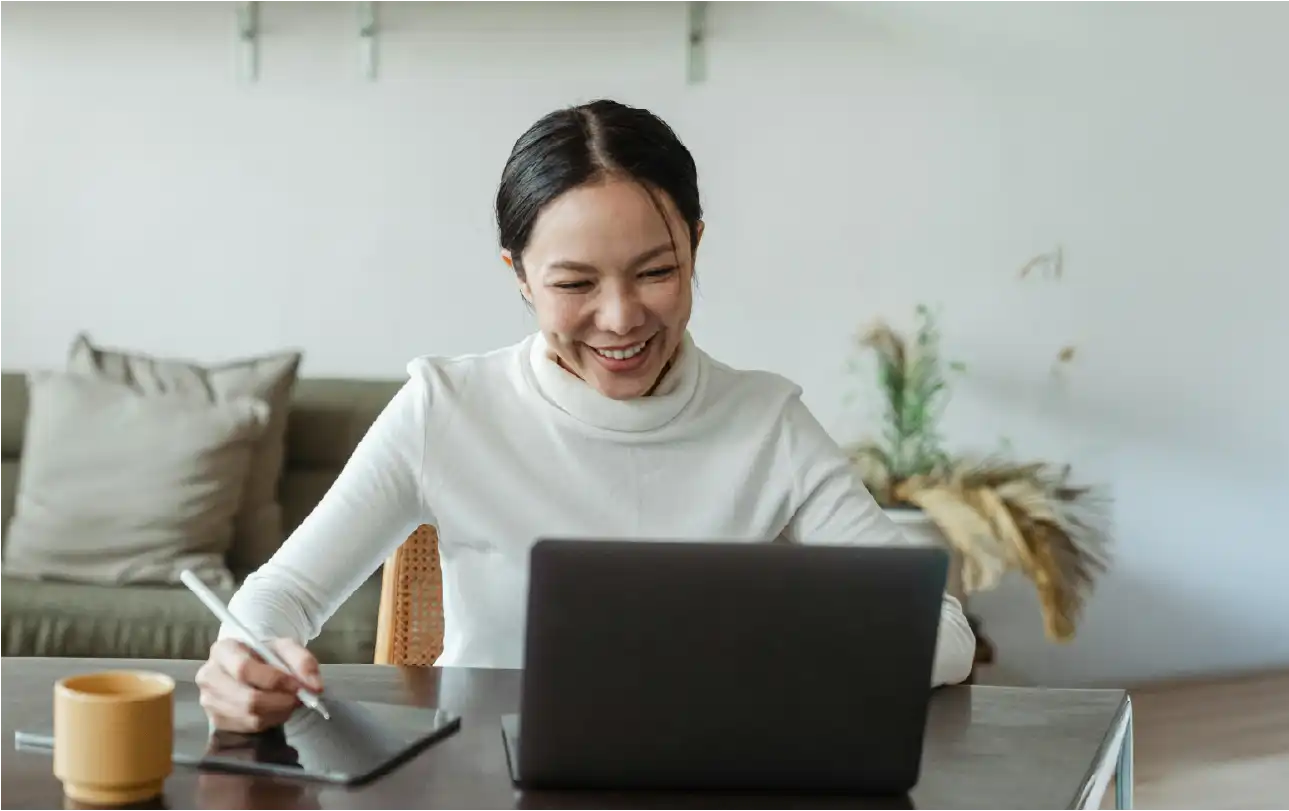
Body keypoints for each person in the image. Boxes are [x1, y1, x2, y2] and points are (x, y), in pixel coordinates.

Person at [195, 99, 978, 732]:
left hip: (706, 776)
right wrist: (244, 656)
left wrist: (779, 654)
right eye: (574, 284)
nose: (619, 318)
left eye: (657, 271)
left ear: (695, 247)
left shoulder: (765, 422)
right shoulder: (447, 408)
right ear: (520, 277)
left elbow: (942, 631)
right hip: (482, 779)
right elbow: (281, 593)